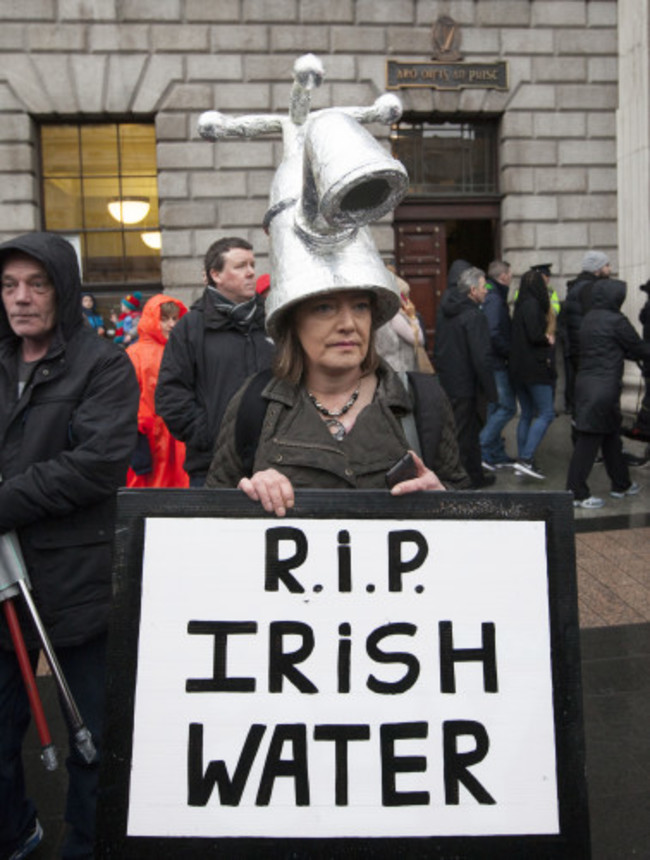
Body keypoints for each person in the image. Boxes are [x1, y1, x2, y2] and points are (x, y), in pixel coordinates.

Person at [0, 232, 139, 859]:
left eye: (37, 284)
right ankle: (16, 833)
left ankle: (85, 845)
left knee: (92, 735)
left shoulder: (102, 363)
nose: (21, 299)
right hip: (1, 583)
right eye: (8, 286)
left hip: (76, 580)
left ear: (64, 288)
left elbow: (98, 465)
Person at [206, 280, 470, 513]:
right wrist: (247, 497)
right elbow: (212, 508)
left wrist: (443, 501)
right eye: (324, 307)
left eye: (360, 307)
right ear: (293, 320)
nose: (348, 324)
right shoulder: (255, 402)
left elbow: (465, 503)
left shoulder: (422, 400)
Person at [155, 236, 274, 486]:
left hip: (274, 467)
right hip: (211, 468)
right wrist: (210, 435)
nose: (251, 272)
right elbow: (171, 395)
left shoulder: (273, 323)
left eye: (253, 264)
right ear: (216, 275)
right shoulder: (190, 328)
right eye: (241, 266)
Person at [566, 278, 650, 508]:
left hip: (587, 385)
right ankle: (576, 492)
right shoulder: (616, 321)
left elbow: (609, 347)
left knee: (611, 435)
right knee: (588, 441)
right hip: (604, 388)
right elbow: (638, 347)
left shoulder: (589, 319)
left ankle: (621, 484)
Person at [433, 266, 497, 489]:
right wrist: (491, 391)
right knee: (462, 434)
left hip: (451, 381)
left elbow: (439, 348)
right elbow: (482, 357)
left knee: (466, 433)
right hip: (467, 385)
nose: (487, 291)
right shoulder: (473, 316)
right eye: (483, 286)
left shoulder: (447, 312)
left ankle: (474, 475)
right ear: (472, 290)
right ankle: (457, 479)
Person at [126, 294, 190, 488]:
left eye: (174, 319)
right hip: (149, 436)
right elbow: (129, 398)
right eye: (164, 319)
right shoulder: (135, 354)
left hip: (176, 435)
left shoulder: (182, 351)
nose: (171, 324)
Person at [509, 269, 557, 479]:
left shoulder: (520, 305)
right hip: (535, 368)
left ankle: (523, 460)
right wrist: (547, 339)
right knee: (546, 413)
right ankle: (526, 459)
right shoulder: (533, 305)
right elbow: (535, 335)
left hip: (518, 369)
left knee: (527, 414)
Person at [562, 251, 612, 414]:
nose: (610, 269)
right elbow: (595, 321)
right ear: (597, 268)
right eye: (606, 265)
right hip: (589, 351)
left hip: (579, 350)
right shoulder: (590, 288)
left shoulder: (577, 286)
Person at [479, 260, 516, 470]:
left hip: (491, 361)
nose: (511, 277)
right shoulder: (494, 299)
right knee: (507, 407)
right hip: (496, 363)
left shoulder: (492, 295)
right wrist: (508, 351)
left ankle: (493, 454)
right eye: (510, 274)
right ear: (503, 276)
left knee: (494, 408)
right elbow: (493, 332)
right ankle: (482, 446)